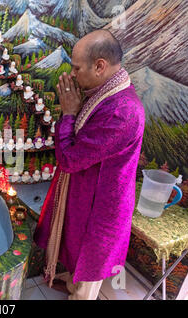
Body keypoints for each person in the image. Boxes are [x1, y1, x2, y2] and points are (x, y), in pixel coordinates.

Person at [33, 29, 145, 300]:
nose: (72, 75)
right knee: (76, 251)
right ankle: (72, 285)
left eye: (76, 68)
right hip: (88, 195)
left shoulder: (122, 112)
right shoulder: (105, 94)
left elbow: (70, 159)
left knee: (90, 272)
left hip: (103, 207)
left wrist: (70, 113)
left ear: (100, 66)